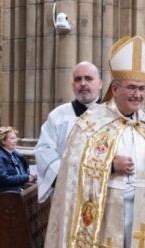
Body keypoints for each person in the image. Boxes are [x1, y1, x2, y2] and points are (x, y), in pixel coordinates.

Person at [44, 35, 145, 248]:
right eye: (131, 88)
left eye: (141, 88)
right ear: (115, 88)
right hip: (106, 214)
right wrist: (110, 166)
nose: (137, 94)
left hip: (143, 212)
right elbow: (71, 171)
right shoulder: (91, 122)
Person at [35, 61, 103, 202]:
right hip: (67, 195)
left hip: (103, 195)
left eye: (88, 78)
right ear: (73, 86)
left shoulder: (112, 116)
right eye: (78, 79)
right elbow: (44, 150)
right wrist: (68, 179)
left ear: (100, 84)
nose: (83, 83)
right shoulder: (58, 116)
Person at [0, 126, 36, 206]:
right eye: (12, 138)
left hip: (14, 191)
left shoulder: (14, 154)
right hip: (2, 196)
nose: (15, 141)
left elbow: (22, 170)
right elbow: (4, 179)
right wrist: (26, 177)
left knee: (37, 191)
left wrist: (29, 176)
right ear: (3, 141)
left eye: (15, 138)